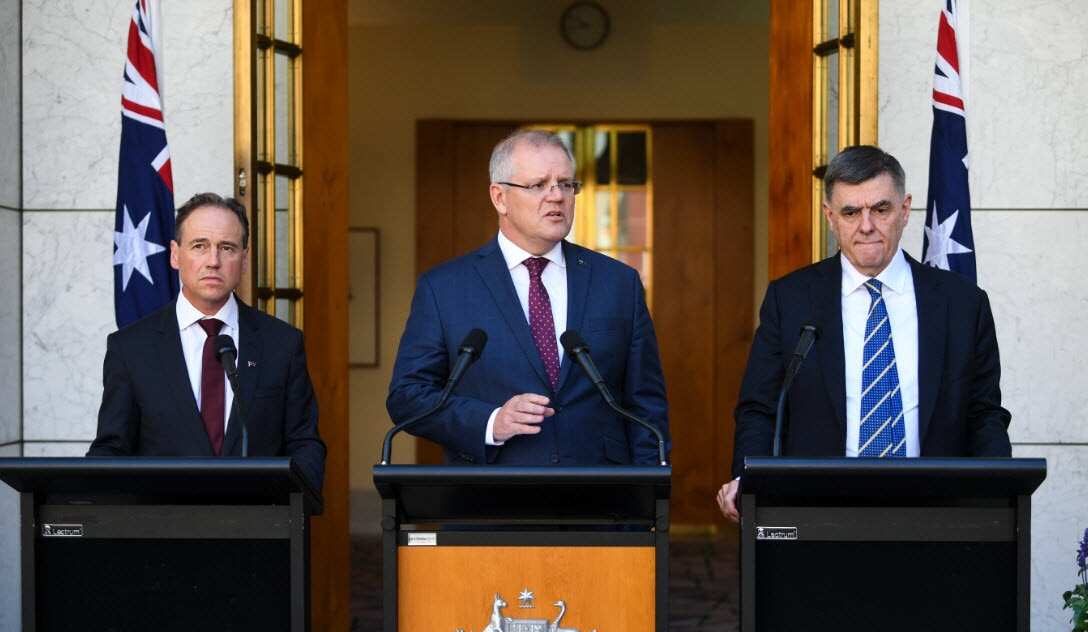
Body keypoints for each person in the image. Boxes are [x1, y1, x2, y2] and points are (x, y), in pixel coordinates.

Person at [717, 145, 1010, 520]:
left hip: (934, 515)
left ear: (904, 210)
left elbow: (983, 413)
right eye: (851, 212)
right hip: (818, 515)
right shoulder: (790, 300)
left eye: (881, 209)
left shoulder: (962, 304)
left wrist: (1000, 493)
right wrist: (746, 478)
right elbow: (760, 408)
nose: (866, 225)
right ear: (830, 217)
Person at [387, 130, 669, 465]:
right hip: (489, 503)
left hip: (599, 503)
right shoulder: (444, 288)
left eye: (566, 184)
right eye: (538, 185)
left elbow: (646, 404)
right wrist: (491, 421)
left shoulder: (618, 282)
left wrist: (645, 498)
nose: (557, 197)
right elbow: (408, 396)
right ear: (499, 197)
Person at [88, 193, 326, 489]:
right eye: (199, 246)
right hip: (164, 525)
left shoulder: (282, 344)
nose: (213, 261)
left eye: (227, 248)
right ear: (175, 255)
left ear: (244, 259)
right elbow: (111, 450)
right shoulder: (130, 348)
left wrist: (290, 508)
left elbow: (304, 444)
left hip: (257, 525)